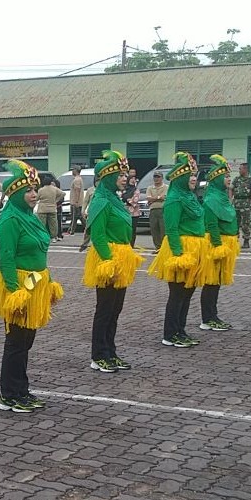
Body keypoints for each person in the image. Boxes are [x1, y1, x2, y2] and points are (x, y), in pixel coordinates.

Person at [0, 159, 63, 412]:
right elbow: (6, 259)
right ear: (14, 194)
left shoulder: (30, 217)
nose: (33, 195)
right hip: (19, 285)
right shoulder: (10, 219)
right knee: (15, 342)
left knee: (26, 342)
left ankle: (21, 389)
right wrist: (15, 292)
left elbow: (40, 255)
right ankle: (9, 395)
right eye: (28, 191)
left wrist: (49, 280)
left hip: (34, 282)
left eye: (35, 190)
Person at [82, 151, 144, 372]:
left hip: (121, 256)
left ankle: (111, 351)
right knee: (105, 309)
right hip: (108, 258)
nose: (124, 178)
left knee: (115, 309)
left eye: (125, 174)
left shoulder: (114, 199)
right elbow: (98, 236)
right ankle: (98, 355)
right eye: (120, 174)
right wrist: (110, 262)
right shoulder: (100, 200)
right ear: (108, 176)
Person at [148, 152, 207, 348]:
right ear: (180, 177)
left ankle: (180, 330)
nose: (193, 179)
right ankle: (170, 333)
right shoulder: (174, 199)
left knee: (188, 292)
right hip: (180, 249)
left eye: (195, 175)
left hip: (195, 249)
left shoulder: (190, 196)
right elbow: (171, 229)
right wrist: (179, 255)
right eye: (189, 175)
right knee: (177, 294)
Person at [199, 155, 240, 331]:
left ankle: (212, 315)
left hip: (227, 243)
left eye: (229, 176)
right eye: (225, 177)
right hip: (217, 244)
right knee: (211, 281)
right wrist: (217, 246)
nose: (228, 180)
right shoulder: (211, 199)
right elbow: (211, 225)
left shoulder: (222, 196)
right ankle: (207, 318)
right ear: (216, 179)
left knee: (216, 282)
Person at [231, 161, 251, 249]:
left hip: (246, 204)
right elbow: (231, 188)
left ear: (245, 169)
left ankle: (246, 241)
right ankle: (235, 241)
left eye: (240, 169)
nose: (239, 170)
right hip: (236, 203)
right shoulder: (237, 179)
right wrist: (231, 199)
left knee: (245, 224)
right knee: (235, 224)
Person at [36, 175, 65, 242]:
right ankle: (53, 237)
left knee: (42, 224)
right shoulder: (54, 189)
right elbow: (63, 194)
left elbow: (37, 198)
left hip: (42, 209)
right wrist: (56, 200)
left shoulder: (41, 190)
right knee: (53, 224)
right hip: (52, 208)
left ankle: (42, 237)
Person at [146, 170, 168, 250]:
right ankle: (157, 247)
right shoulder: (150, 188)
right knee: (154, 229)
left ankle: (163, 248)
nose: (156, 179)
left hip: (163, 210)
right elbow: (148, 198)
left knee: (163, 229)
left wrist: (153, 199)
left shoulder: (166, 187)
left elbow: (164, 197)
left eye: (158, 177)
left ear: (162, 178)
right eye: (155, 177)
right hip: (153, 210)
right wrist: (159, 198)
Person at [122, 168, 141, 247]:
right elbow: (120, 199)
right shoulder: (123, 190)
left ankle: (131, 245)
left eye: (134, 179)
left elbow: (134, 201)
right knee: (124, 229)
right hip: (124, 213)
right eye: (131, 179)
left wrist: (126, 199)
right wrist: (127, 200)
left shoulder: (136, 190)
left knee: (132, 230)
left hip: (134, 214)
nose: (133, 180)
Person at [78, 183, 96, 252]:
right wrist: (83, 211)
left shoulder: (105, 189)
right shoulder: (90, 190)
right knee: (88, 229)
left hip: (101, 212)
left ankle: (94, 245)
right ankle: (85, 244)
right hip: (91, 212)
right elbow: (85, 201)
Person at [67, 165, 84, 235]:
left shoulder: (77, 180)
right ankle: (70, 230)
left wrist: (76, 201)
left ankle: (71, 231)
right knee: (78, 216)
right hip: (78, 202)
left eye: (73, 170)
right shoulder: (79, 179)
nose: (72, 171)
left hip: (76, 202)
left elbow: (77, 190)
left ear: (76, 171)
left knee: (74, 217)